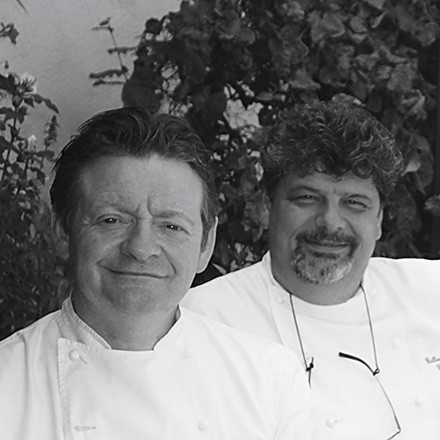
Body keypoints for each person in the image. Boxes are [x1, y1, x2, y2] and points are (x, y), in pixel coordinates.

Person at [0, 107, 318, 440]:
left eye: (171, 226)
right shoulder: (8, 384)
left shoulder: (269, 380)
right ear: (62, 233)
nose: (141, 248)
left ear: (206, 244)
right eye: (112, 220)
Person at [183, 100, 440, 440]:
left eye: (355, 203)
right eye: (307, 198)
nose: (330, 223)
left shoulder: (429, 290)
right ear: (267, 207)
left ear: (378, 219)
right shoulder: (202, 319)